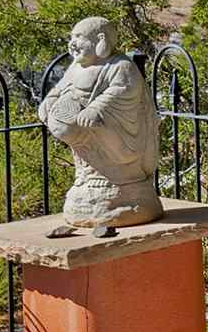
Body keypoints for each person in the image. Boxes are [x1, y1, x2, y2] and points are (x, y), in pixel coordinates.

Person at [40, 15, 163, 234]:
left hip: (114, 133)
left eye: (79, 37)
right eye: (72, 37)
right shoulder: (76, 67)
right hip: (82, 135)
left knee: (114, 154)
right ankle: (88, 181)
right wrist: (48, 102)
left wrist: (95, 108)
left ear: (100, 40)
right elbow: (61, 87)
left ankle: (121, 192)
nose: (73, 43)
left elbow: (124, 89)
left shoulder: (121, 66)